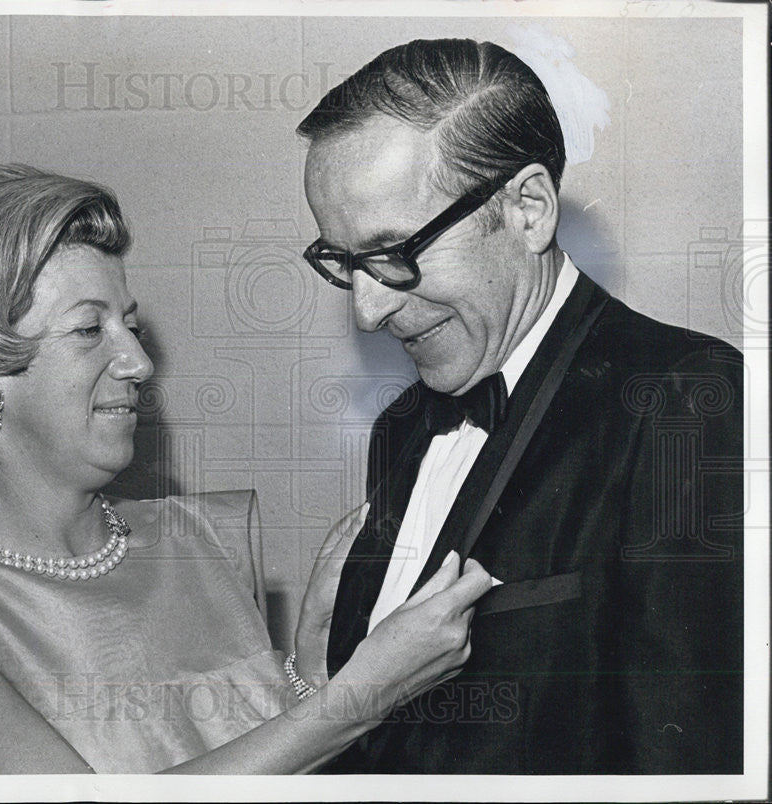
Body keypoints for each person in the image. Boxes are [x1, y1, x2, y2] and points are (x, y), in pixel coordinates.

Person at [0, 163, 493, 775]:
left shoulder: (202, 536)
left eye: (128, 323)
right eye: (88, 329)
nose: (138, 362)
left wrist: (308, 672)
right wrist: (358, 698)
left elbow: (255, 760)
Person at [296, 38, 743, 774]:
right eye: (343, 264)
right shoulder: (403, 426)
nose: (366, 312)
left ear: (528, 208)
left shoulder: (685, 404)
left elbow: (692, 765)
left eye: (392, 254)